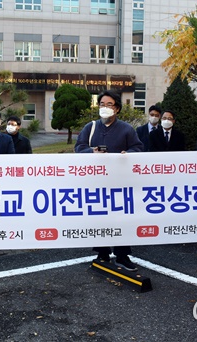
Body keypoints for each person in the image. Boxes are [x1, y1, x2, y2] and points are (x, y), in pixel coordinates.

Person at [75, 90, 144, 271]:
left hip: (119, 183)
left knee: (121, 218)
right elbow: (78, 149)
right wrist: (92, 152)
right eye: (102, 104)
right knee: (99, 218)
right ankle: (102, 252)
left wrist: (128, 154)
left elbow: (138, 148)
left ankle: (122, 255)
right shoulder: (90, 128)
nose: (105, 108)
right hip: (96, 183)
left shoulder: (126, 129)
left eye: (109, 105)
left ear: (117, 109)